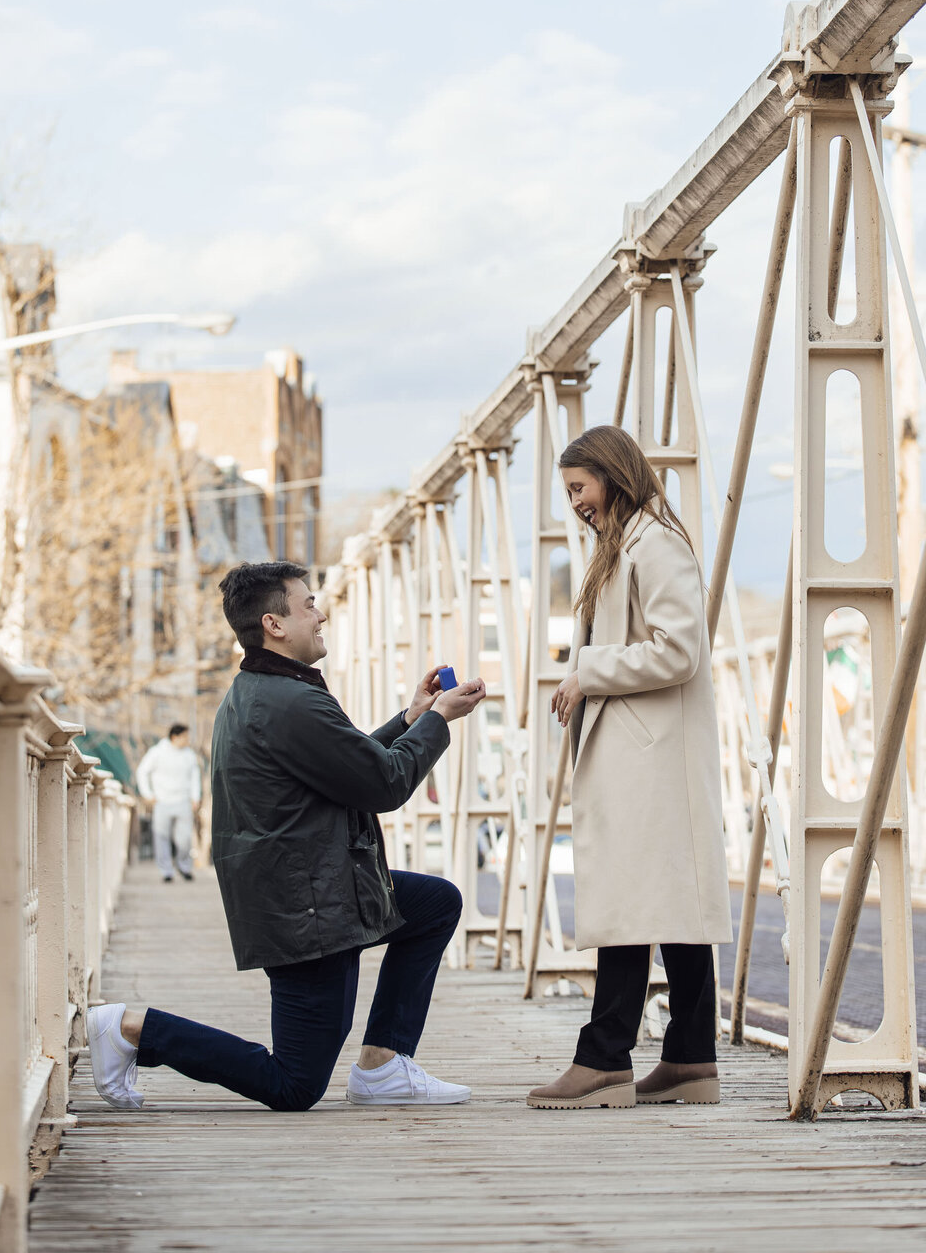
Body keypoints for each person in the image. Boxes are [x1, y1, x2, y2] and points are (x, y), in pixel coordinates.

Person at [86, 559, 486, 1112]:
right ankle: (131, 1027)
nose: (319, 615)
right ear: (274, 624)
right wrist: (439, 720)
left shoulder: (265, 692)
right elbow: (383, 783)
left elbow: (343, 764)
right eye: (308, 605)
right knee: (294, 1083)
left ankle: (383, 1064)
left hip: (309, 888)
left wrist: (412, 716)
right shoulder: (290, 700)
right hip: (309, 907)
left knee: (435, 904)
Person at [526, 425, 732, 1110]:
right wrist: (586, 673)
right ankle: (690, 1060)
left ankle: (606, 1059)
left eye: (579, 488)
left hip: (653, 760)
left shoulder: (656, 544)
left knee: (630, 905)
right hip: (648, 755)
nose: (577, 503)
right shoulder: (629, 545)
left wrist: (588, 670)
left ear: (612, 476)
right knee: (668, 908)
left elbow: (681, 652)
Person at [136, 722, 201, 883]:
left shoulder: (189, 755)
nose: (188, 740)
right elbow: (142, 771)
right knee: (161, 837)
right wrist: (147, 794)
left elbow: (195, 777)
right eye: (185, 736)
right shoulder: (157, 752)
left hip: (183, 801)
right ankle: (166, 871)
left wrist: (195, 797)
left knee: (184, 838)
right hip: (162, 801)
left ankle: (184, 866)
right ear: (175, 737)